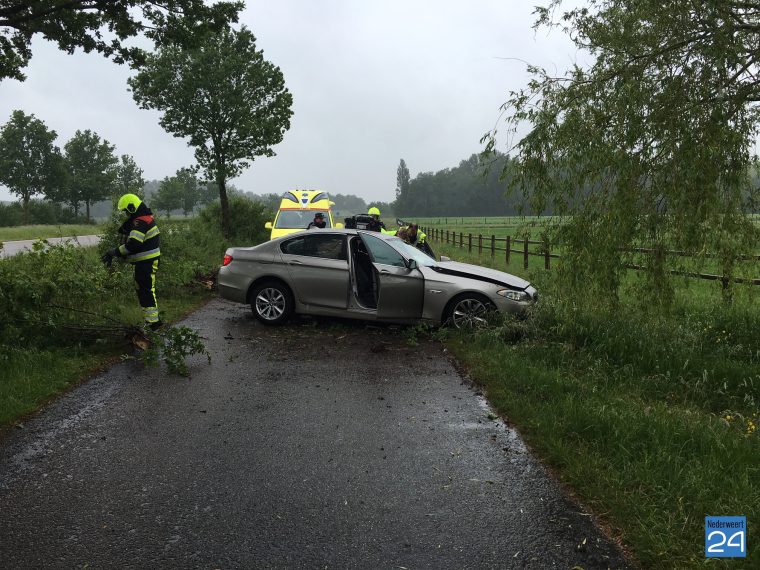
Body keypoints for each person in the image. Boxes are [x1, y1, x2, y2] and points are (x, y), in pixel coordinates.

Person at [101, 193, 162, 331]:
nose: (126, 214)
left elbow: (133, 245)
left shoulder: (140, 222)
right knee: (147, 291)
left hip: (146, 263)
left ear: (132, 208)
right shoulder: (143, 219)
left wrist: (114, 252)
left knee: (146, 292)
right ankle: (153, 321)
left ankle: (153, 324)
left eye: (127, 211)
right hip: (145, 263)